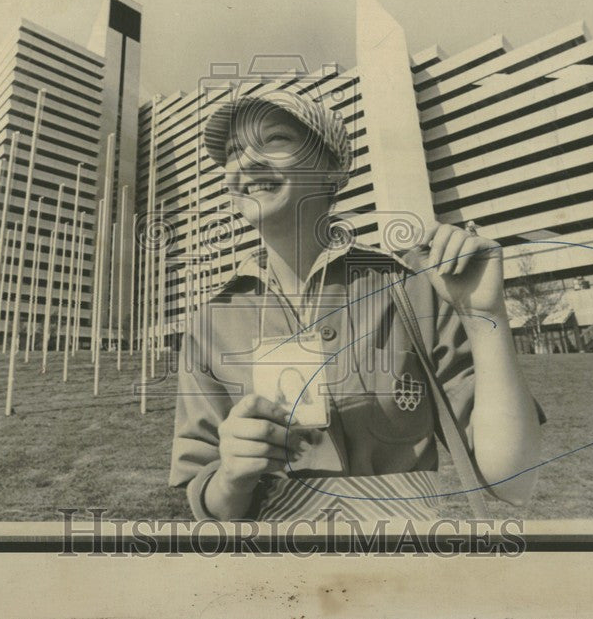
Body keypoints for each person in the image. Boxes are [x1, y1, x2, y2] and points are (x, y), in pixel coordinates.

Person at [169, 89, 543, 521]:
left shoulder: (414, 289)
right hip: (275, 579)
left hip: (400, 570)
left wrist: (484, 317)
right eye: (234, 151)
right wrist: (231, 476)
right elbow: (208, 507)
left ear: (331, 168)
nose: (246, 161)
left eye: (273, 140)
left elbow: (513, 481)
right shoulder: (212, 322)